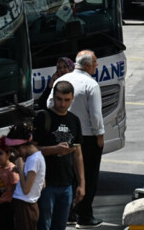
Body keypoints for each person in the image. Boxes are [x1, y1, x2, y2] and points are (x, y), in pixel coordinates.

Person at [47, 50, 104, 229]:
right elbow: (96, 115)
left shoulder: (62, 81)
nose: (97, 66)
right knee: (88, 175)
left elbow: (50, 105)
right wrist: (99, 135)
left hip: (64, 134)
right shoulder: (91, 84)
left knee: (70, 175)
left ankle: (70, 214)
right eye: (95, 63)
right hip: (87, 136)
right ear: (87, 65)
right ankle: (85, 215)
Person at [34, 81, 86, 230]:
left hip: (66, 185)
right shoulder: (43, 117)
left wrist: (82, 184)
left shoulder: (74, 120)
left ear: (72, 98)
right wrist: (55, 149)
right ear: (53, 97)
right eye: (58, 99)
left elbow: (78, 154)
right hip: (45, 185)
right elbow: (30, 150)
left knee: (60, 226)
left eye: (66, 100)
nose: (62, 104)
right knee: (44, 225)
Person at [6, 123, 46, 230]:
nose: (15, 155)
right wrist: (22, 172)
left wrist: (19, 168)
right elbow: (43, 185)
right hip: (28, 205)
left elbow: (26, 190)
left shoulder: (33, 160)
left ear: (22, 146)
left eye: (14, 151)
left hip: (25, 206)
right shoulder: (36, 156)